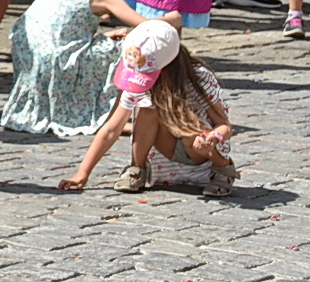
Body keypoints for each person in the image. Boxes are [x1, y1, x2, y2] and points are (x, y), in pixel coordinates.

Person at [1, 0, 169, 137]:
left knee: (109, 43)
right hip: (59, 63)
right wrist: (171, 19)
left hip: (32, 64)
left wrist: (102, 36)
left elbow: (59, 32)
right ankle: (114, 117)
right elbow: (147, 27)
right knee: (133, 50)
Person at [60, 20, 237, 198]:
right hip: (165, 147)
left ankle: (223, 170)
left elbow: (224, 126)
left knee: (186, 120)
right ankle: (137, 169)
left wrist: (214, 137)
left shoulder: (199, 78)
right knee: (148, 109)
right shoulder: (137, 80)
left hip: (200, 150)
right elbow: (111, 129)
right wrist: (82, 173)